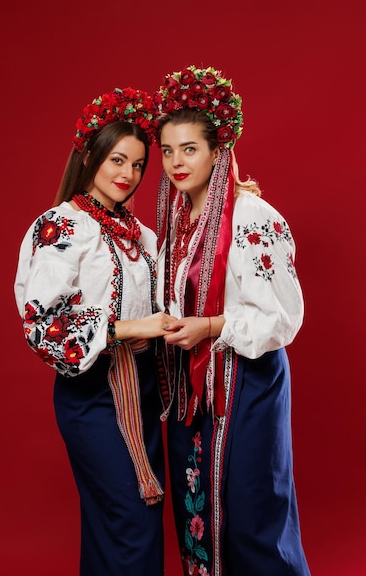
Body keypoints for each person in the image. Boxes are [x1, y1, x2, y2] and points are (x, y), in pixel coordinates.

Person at [154, 66, 311, 575]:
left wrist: (210, 327)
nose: (177, 162)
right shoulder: (178, 222)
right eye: (169, 150)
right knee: (201, 514)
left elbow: (281, 319)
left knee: (249, 514)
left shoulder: (251, 216)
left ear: (218, 151)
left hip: (245, 384)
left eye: (190, 149)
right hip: (190, 389)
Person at [14, 87, 177, 575]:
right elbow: (40, 325)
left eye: (139, 165)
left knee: (120, 524)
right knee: (129, 519)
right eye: (117, 160)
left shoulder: (140, 234)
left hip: (141, 390)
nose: (128, 175)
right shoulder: (62, 227)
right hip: (93, 395)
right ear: (91, 157)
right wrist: (132, 327)